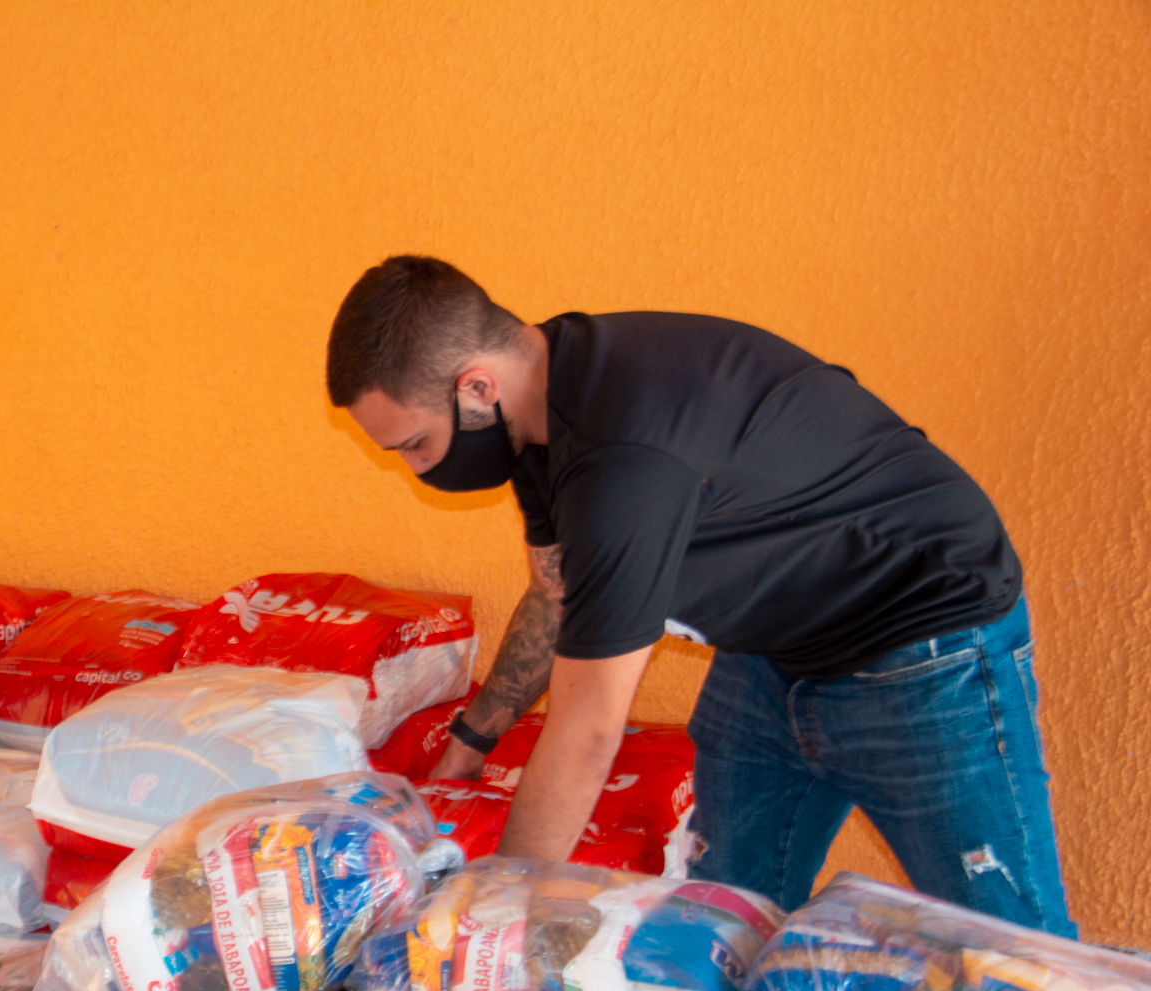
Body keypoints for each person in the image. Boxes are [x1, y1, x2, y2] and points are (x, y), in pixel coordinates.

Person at [325, 255, 1071, 934]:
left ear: (476, 387)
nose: (418, 470)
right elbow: (557, 594)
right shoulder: (542, 409)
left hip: (922, 642)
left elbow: (587, 732)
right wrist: (471, 740)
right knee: (718, 931)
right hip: (776, 650)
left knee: (1013, 959)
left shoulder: (624, 458)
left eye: (415, 443)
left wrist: (492, 922)